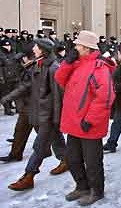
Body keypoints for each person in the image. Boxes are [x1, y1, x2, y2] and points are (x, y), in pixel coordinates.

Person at [55, 30, 115, 206]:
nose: (75, 46)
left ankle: (96, 191)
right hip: (73, 122)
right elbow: (59, 78)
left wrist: (90, 120)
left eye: (78, 44)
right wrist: (67, 62)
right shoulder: (77, 63)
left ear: (86, 48)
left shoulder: (99, 67)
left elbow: (105, 97)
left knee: (93, 162)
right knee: (73, 159)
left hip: (88, 124)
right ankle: (82, 186)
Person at [8, 38, 67, 191]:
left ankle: (29, 176)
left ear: (43, 49)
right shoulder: (37, 64)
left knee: (39, 146)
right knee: (57, 139)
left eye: (36, 46)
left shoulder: (54, 68)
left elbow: (59, 96)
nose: (33, 48)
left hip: (48, 116)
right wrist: (8, 98)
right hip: (40, 112)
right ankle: (67, 160)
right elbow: (27, 85)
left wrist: (56, 119)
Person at [0, 45, 36, 163]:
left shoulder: (35, 68)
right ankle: (15, 154)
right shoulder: (26, 67)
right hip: (27, 106)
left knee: (51, 137)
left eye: (23, 58)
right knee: (20, 130)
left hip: (37, 107)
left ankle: (65, 159)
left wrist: (6, 98)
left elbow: (23, 87)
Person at [0, 39, 21, 115]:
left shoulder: (13, 52)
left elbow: (17, 64)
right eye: (5, 45)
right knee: (6, 94)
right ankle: (7, 109)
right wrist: (1, 78)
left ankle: (18, 108)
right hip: (5, 77)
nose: (8, 47)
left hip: (15, 76)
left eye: (9, 45)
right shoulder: (1, 54)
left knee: (16, 93)